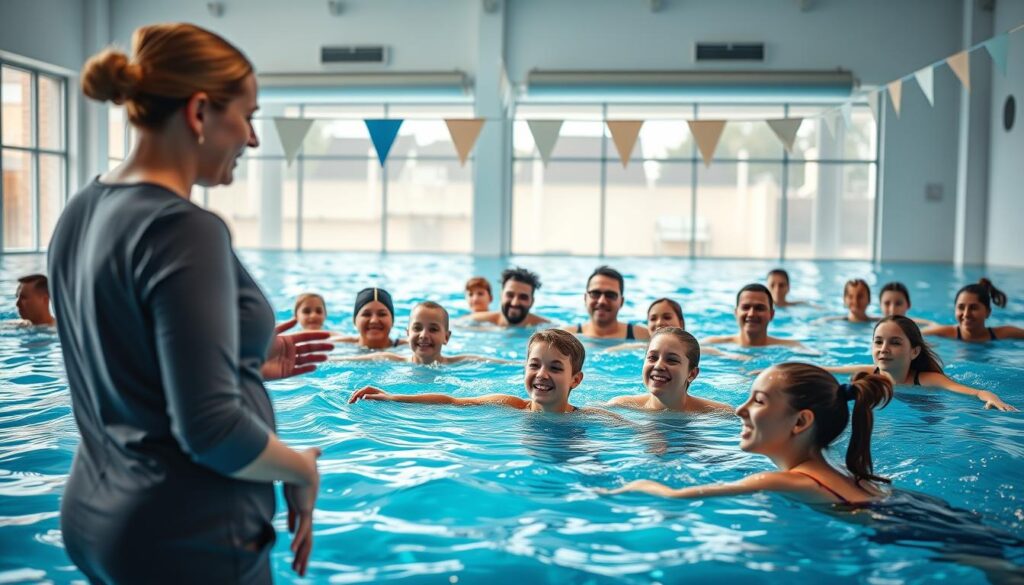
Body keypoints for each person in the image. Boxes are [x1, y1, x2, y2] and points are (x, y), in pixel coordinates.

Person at [48, 24, 331, 582]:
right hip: (188, 533)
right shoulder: (184, 228)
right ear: (199, 111)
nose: (252, 139)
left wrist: (240, 361)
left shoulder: (82, 207)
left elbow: (122, 361)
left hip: (94, 514)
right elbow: (209, 430)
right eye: (246, 116)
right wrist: (299, 467)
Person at [600, 363, 893, 505]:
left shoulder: (778, 480)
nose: (741, 410)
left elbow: (675, 496)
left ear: (801, 421)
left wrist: (623, 488)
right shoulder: (846, 474)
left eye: (759, 401)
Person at [349, 329, 600, 414]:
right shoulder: (511, 405)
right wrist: (393, 396)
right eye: (534, 365)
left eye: (555, 367)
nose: (541, 374)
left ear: (575, 379)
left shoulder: (588, 417)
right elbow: (452, 401)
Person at [817, 316, 1016, 411]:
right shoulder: (870, 373)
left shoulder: (928, 379)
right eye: (878, 342)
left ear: (914, 351)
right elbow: (827, 370)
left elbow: (976, 392)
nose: (883, 349)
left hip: (927, 410)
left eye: (895, 342)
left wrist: (994, 399)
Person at [336, 301, 512, 365]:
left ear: (446, 337)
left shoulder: (461, 362)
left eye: (433, 329)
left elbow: (505, 364)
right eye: (417, 328)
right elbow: (340, 361)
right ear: (407, 334)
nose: (424, 335)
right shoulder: (390, 359)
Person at [606, 327, 732, 414]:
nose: (659, 366)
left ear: (691, 374)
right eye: (652, 357)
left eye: (672, 360)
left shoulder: (719, 414)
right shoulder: (620, 407)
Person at [606, 298, 747, 360]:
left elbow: (732, 357)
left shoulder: (699, 351)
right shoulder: (634, 348)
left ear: (681, 323)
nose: (659, 322)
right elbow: (605, 353)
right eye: (653, 318)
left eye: (667, 317)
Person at [703, 284, 804, 348]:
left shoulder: (791, 346)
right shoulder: (714, 345)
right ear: (736, 312)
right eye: (746, 307)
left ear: (771, 314)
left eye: (759, 308)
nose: (751, 314)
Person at [923, 279, 1024, 342]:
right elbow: (913, 335)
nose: (966, 314)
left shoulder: (1003, 333)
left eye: (973, 308)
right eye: (961, 307)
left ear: (988, 312)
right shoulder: (945, 332)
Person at [563, 265, 649, 340]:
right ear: (585, 298)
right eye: (595, 293)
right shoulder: (566, 336)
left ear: (621, 302)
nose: (602, 301)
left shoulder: (644, 336)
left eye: (610, 295)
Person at [466, 267, 550, 327]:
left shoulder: (544, 326)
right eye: (510, 295)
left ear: (532, 302)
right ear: (501, 295)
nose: (515, 303)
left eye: (523, 297)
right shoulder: (476, 321)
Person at [332, 287, 408, 349]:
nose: (374, 320)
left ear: (393, 321)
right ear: (354, 320)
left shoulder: (407, 347)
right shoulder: (336, 345)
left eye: (382, 314)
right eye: (366, 314)